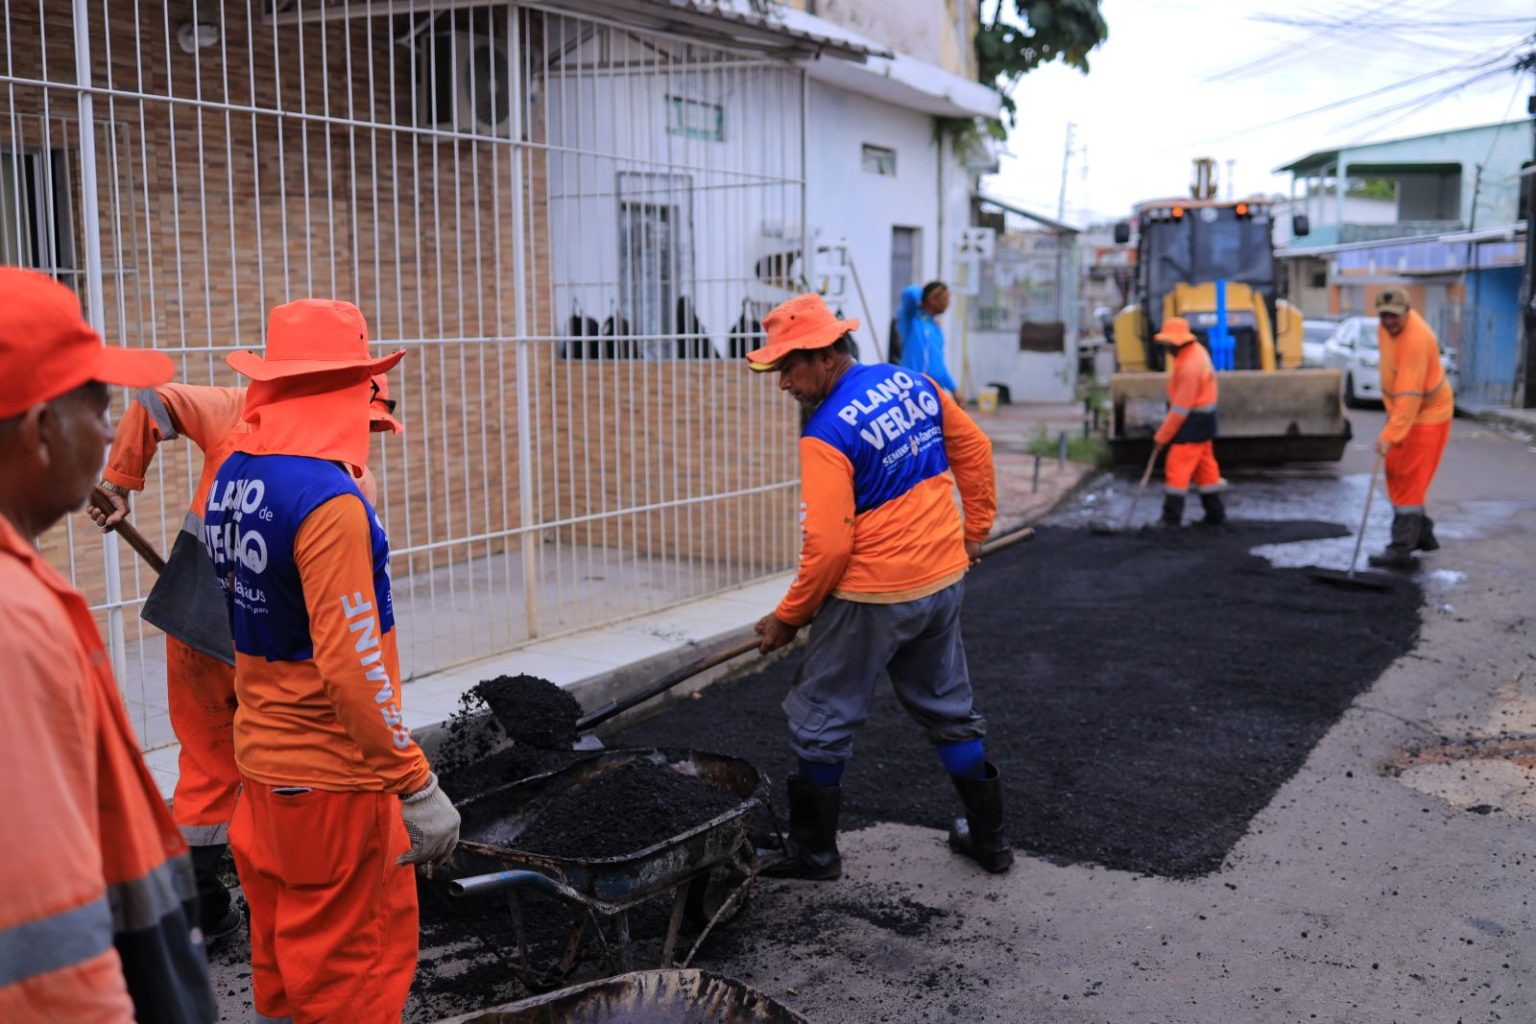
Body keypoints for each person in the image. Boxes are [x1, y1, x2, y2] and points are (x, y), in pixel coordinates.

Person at [202, 299, 459, 1023]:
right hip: (336, 789)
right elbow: (353, 668)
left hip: (262, 775)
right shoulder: (331, 504)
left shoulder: (235, 477)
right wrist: (414, 783)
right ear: (348, 384)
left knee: (283, 966)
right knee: (354, 983)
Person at [87, 374, 406, 943]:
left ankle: (198, 915)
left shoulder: (236, 409)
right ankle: (285, 894)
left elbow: (153, 401)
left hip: (197, 618)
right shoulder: (348, 483)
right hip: (269, 642)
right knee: (275, 758)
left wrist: (119, 481)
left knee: (207, 767)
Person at [0, 267, 217, 1021]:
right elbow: (41, 928)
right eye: (95, 406)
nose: (107, 428)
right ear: (39, 432)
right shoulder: (12, 625)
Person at [747, 292, 1009, 880]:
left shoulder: (824, 433)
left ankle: (814, 852)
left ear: (823, 354)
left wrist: (789, 617)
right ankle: (990, 839)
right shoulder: (911, 383)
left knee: (822, 716)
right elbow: (976, 449)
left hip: (871, 598)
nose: (783, 382)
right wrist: (974, 533)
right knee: (949, 708)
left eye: (789, 366)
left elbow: (831, 547)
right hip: (941, 583)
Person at [1367, 287, 1453, 569]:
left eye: (1394, 316)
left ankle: (1401, 549)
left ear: (1406, 312)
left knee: (1408, 479)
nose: (1388, 321)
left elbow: (1409, 396)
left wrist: (1390, 434)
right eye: (1383, 316)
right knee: (1396, 469)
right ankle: (1423, 535)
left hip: (1427, 415)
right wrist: (1392, 429)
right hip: (1404, 412)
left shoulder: (1416, 341)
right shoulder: (1386, 330)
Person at [1151, 316, 1226, 526]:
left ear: (1176, 343)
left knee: (1177, 466)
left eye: (1167, 344)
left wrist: (1161, 437)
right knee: (1205, 468)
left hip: (1193, 423)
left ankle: (1170, 518)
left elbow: (1180, 410)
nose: (1166, 349)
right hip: (1204, 421)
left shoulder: (1189, 367)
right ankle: (1215, 514)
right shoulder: (1194, 353)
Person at [896, 281, 960, 399]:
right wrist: (925, 296)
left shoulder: (936, 329)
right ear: (932, 299)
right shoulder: (910, 320)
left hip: (933, 393)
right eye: (945, 298)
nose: (948, 303)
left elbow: (939, 365)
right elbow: (909, 292)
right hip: (912, 391)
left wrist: (954, 388)